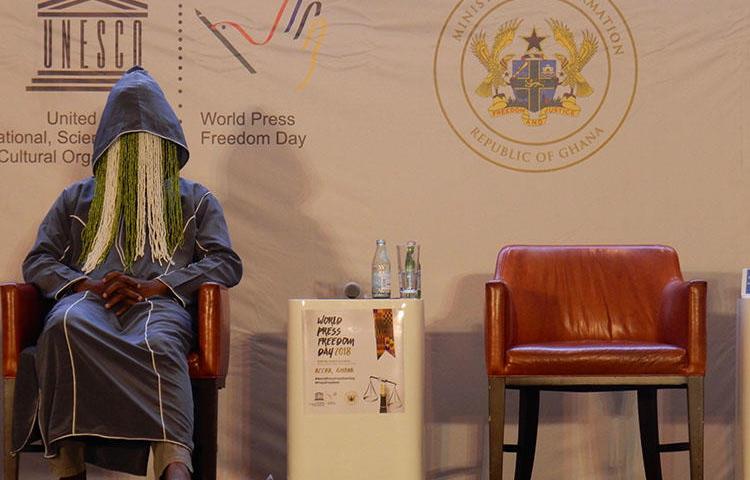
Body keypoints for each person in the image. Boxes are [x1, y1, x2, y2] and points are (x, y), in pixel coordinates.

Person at [12, 66, 243, 480]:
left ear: (165, 142)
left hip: (158, 307)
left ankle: (175, 466)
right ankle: (68, 469)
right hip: (89, 305)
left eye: (146, 140)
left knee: (158, 340)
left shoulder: (195, 199)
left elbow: (225, 262)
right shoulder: (77, 198)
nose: (136, 148)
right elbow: (40, 260)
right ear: (107, 144)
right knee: (63, 324)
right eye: (125, 139)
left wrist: (157, 284)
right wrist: (89, 284)